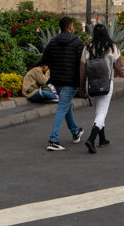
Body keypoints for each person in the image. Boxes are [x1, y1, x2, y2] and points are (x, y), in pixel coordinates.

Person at [79, 23, 124, 153]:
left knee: (98, 111)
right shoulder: (112, 47)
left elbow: (82, 70)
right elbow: (119, 66)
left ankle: (102, 138)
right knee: (101, 113)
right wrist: (121, 73)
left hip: (91, 84)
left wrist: (82, 86)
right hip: (106, 84)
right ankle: (91, 139)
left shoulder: (87, 48)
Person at [42, 16, 85, 151]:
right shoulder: (77, 43)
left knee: (66, 105)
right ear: (71, 26)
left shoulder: (53, 42)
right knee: (62, 107)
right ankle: (53, 140)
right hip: (70, 80)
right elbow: (82, 63)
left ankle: (75, 132)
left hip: (57, 79)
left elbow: (45, 59)